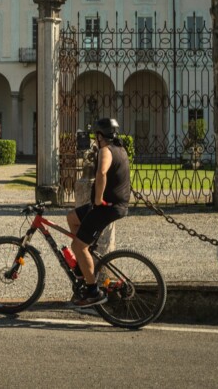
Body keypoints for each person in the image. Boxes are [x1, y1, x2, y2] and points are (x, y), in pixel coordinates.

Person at [66, 118, 132, 307]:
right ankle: (82, 267)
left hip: (106, 206)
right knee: (71, 218)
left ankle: (93, 291)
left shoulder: (106, 150)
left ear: (101, 135)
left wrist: (97, 198)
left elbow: (101, 173)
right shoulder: (121, 149)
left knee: (79, 246)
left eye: (96, 135)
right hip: (111, 205)